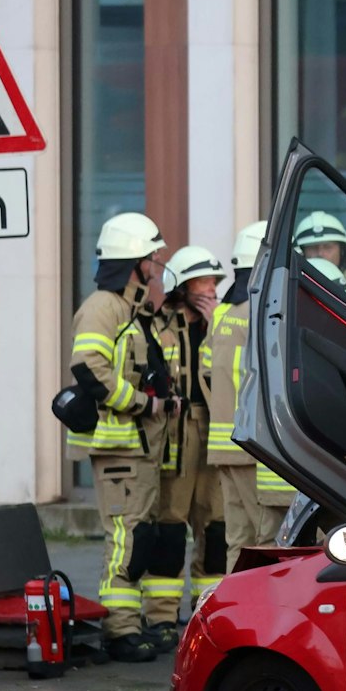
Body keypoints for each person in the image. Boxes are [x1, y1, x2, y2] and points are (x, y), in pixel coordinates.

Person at [67, 211, 169, 663]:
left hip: (139, 449)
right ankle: (119, 629)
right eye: (153, 259)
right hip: (119, 447)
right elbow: (88, 366)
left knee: (139, 537)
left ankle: (129, 622)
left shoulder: (133, 309)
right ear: (135, 262)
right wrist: (142, 403)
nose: (157, 267)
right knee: (126, 540)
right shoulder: (103, 307)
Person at [141, 245, 228, 651]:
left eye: (214, 281)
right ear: (181, 285)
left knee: (215, 527)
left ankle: (207, 614)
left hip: (215, 429)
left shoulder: (225, 324)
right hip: (176, 432)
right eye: (203, 281)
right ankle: (160, 619)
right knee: (170, 527)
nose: (211, 288)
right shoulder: (158, 327)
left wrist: (216, 327)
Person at [208, 220, 295, 566]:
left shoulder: (222, 314)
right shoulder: (264, 312)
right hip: (253, 446)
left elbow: (206, 373)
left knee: (237, 541)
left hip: (224, 446)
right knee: (265, 540)